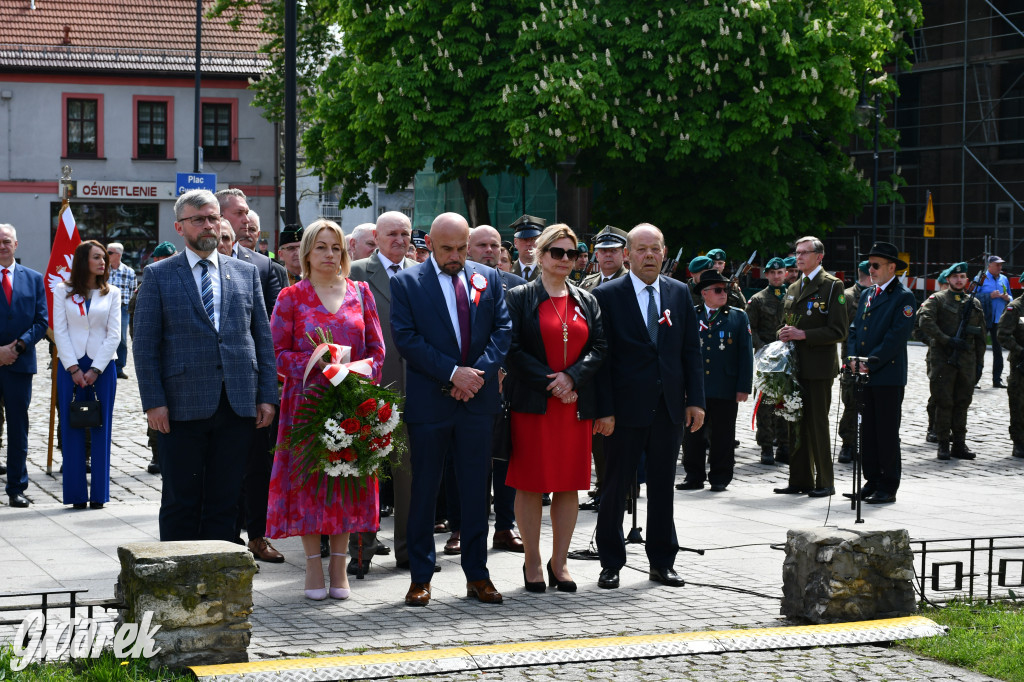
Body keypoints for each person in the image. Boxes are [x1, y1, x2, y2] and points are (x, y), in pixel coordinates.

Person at [133, 189, 278, 541]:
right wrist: (154, 402)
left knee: (225, 499)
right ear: (179, 227)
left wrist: (266, 396)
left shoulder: (245, 273)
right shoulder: (159, 276)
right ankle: (178, 570)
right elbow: (145, 346)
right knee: (181, 500)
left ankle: (221, 570)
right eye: (198, 219)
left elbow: (262, 339)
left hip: (237, 403)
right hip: (181, 406)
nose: (208, 225)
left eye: (213, 218)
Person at [390, 212, 512, 607]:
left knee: (476, 491)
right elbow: (406, 338)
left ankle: (478, 575)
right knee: (425, 490)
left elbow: (502, 330)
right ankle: (420, 577)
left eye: (462, 248)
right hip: (430, 403)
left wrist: (475, 376)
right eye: (447, 249)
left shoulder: (487, 278)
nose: (456, 256)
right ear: (429, 245)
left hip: (477, 402)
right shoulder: (407, 282)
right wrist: (452, 373)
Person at [266, 219, 385, 600]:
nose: (330, 254)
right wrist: (317, 363)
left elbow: (377, 352)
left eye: (336, 247)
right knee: (309, 484)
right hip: (305, 405)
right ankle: (312, 566)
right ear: (306, 253)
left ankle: (339, 565)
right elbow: (276, 354)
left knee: (346, 481)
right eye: (321, 247)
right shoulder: (291, 297)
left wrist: (356, 371)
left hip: (351, 401)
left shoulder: (361, 292)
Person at [594, 223, 705, 590]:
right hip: (623, 411)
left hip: (668, 408)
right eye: (641, 249)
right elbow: (601, 359)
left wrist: (696, 401)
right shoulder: (607, 295)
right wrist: (604, 408)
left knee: (662, 487)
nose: (649, 256)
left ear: (664, 252)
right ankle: (610, 562)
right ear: (627, 255)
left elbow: (690, 350)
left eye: (655, 249)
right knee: (614, 487)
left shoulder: (678, 291)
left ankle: (662, 562)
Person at [505, 224, 606, 592]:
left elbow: (600, 347)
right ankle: (532, 560)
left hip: (573, 405)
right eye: (557, 252)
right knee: (530, 483)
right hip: (535, 404)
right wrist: (552, 382)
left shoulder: (587, 300)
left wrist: (572, 378)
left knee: (569, 485)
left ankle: (559, 562)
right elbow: (511, 348)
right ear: (540, 254)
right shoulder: (519, 297)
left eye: (572, 253)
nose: (565, 259)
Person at [346, 211, 416, 575]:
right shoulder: (356, 272)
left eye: (405, 233)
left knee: (409, 475)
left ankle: (409, 550)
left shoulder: (422, 271)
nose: (400, 240)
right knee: (365, 473)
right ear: (377, 235)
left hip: (415, 388)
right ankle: (361, 552)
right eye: (392, 234)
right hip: (371, 388)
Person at [774, 236, 848, 498]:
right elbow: (786, 323)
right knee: (795, 423)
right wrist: (783, 333)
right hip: (795, 367)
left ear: (819, 256)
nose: (799, 257)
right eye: (797, 253)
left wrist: (803, 335)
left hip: (818, 367)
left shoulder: (832, 286)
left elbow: (838, 330)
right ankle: (800, 479)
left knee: (817, 425)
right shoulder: (794, 287)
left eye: (804, 252)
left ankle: (825, 481)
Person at [468, 224, 527, 553]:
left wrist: (504, 369)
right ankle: (463, 527)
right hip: (468, 383)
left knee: (506, 457)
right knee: (470, 460)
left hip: (509, 386)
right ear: (468, 248)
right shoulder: (458, 283)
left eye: (494, 245)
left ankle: (505, 526)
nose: (489, 251)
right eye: (482, 245)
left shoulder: (517, 286)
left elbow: (522, 336)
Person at [844, 243, 917, 504]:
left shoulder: (903, 297)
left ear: (892, 267)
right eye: (868, 265)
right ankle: (872, 480)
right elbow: (855, 329)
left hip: (886, 374)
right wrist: (853, 358)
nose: (870, 270)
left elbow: (896, 337)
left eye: (875, 265)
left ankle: (888, 485)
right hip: (864, 373)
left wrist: (870, 362)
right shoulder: (867, 294)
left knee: (886, 431)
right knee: (867, 431)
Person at [52, 241, 121, 510]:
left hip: (102, 366)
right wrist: (73, 368)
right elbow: (60, 331)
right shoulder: (63, 291)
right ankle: (76, 495)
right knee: (71, 427)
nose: (103, 261)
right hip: (70, 366)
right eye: (96, 257)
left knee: (101, 427)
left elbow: (114, 335)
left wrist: (95, 369)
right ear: (83, 261)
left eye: (104, 257)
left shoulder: (112, 292)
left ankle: (99, 495)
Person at [679, 271, 752, 492]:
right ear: (704, 293)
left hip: (725, 385)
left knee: (723, 434)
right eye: (718, 290)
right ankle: (693, 475)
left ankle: (720, 476)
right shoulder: (692, 315)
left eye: (725, 289)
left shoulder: (737, 316)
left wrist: (743, 387)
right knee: (692, 433)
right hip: (696, 386)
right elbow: (681, 352)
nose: (724, 294)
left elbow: (745, 354)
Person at [0, 223, 48, 507]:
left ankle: (16, 487)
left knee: (18, 427)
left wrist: (18, 347)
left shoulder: (33, 279)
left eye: (6, 241)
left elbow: (41, 322)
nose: (2, 246)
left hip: (20, 364)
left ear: (16, 245)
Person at [918, 262, 986, 461]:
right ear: (948, 279)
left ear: (967, 280)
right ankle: (942, 444)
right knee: (944, 402)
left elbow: (981, 336)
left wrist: (979, 363)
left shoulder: (974, 303)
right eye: (955, 277)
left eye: (962, 277)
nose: (959, 280)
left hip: (967, 361)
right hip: (943, 359)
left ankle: (959, 444)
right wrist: (946, 340)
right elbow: (925, 321)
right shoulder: (937, 299)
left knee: (963, 402)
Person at [127, 241, 177, 476]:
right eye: (163, 258)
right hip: (158, 359)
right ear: (155, 260)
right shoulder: (146, 286)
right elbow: (137, 332)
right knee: (157, 406)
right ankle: (157, 454)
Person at [745, 257, 789, 464]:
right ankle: (766, 447)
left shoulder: (793, 297)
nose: (776, 276)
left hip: (789, 358)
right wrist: (763, 348)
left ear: (785, 273)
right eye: (772, 273)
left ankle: (785, 445)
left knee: (786, 402)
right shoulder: (758, 300)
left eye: (780, 272)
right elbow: (749, 329)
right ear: (767, 275)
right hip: (767, 359)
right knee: (765, 404)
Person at [837, 261, 873, 463]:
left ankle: (866, 444)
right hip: (851, 358)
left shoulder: (877, 296)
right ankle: (847, 444)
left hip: (873, 358)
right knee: (851, 403)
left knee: (870, 404)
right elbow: (840, 329)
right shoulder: (848, 297)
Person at [997, 289, 1024, 459]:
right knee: (1019, 404)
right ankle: (1019, 442)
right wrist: (1020, 351)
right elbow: (1003, 335)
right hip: (1021, 364)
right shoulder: (1015, 308)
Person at [977, 255, 1012, 388]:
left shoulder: (1004, 279)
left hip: (998, 319)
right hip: (983, 319)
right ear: (989, 265)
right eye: (997, 265)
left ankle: (997, 380)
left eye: (1001, 265)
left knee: (998, 351)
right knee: (979, 349)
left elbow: (1011, 296)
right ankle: (975, 379)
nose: (1000, 267)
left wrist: (1007, 297)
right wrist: (989, 296)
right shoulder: (981, 278)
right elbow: (972, 296)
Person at [105, 242, 136, 380]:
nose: (106, 255)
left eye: (109, 253)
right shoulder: (103, 270)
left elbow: (133, 292)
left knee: (121, 338)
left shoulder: (129, 272)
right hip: (104, 307)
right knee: (103, 335)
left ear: (118, 255)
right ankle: (104, 365)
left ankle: (119, 368)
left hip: (122, 308)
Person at [580, 226, 628, 292]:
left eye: (613, 250)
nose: (608, 254)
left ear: (624, 254)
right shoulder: (586, 283)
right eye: (603, 250)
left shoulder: (632, 282)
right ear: (597, 256)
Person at [510, 214, 546, 281]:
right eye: (524, 239)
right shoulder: (507, 270)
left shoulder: (548, 271)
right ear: (515, 242)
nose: (529, 243)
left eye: (533, 239)